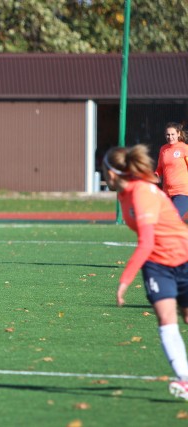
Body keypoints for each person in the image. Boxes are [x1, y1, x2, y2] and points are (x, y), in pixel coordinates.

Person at [103, 144, 188, 400]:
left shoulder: (142, 193)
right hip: (157, 265)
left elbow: (147, 241)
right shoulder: (123, 195)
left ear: (114, 172)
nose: (103, 173)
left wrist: (124, 279)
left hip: (183, 257)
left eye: (104, 169)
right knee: (165, 319)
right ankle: (185, 380)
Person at [155, 122, 188, 218]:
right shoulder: (163, 149)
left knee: (172, 218)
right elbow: (160, 168)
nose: (170, 137)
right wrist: (155, 175)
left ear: (178, 134)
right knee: (162, 219)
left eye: (173, 134)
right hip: (167, 192)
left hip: (182, 192)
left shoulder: (184, 149)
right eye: (168, 135)